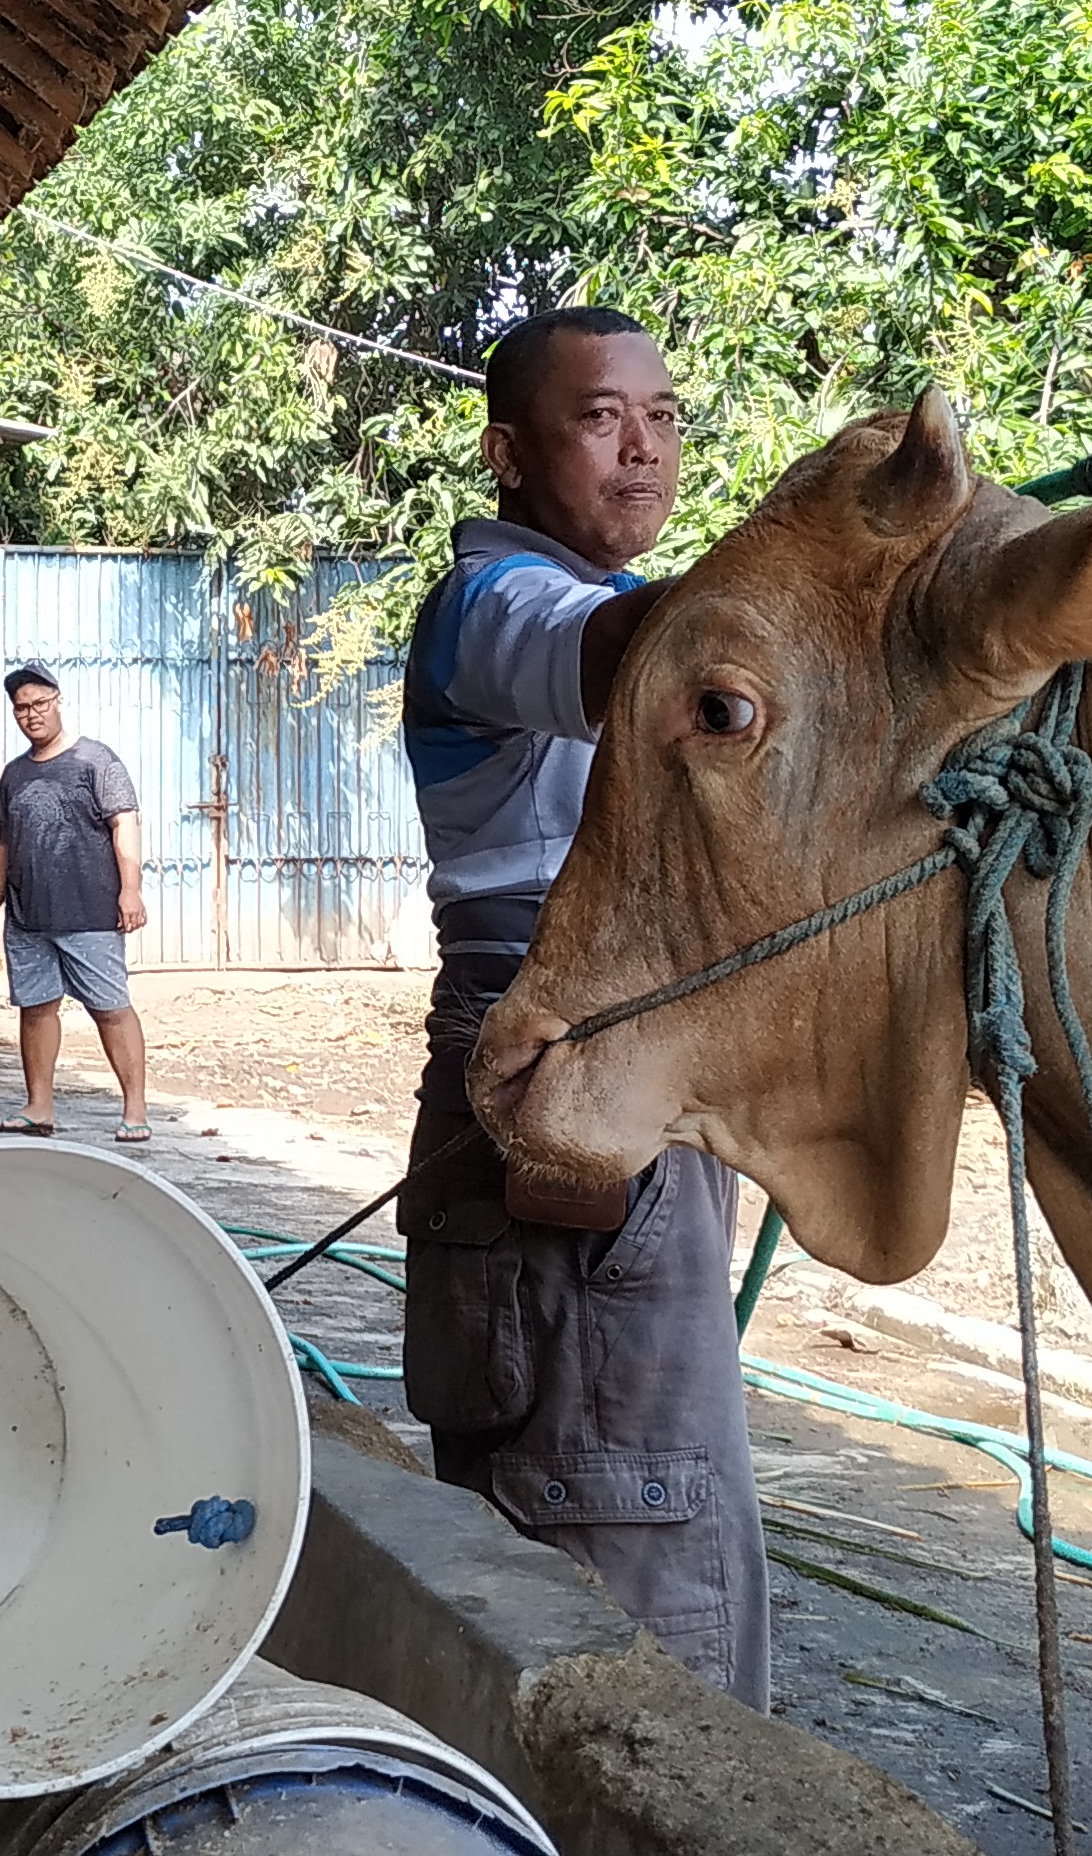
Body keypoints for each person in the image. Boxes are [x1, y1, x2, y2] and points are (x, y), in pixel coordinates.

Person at [393, 304, 769, 1708]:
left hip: (616, 1064)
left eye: (665, 416)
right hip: (566, 1067)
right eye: (601, 417)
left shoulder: (609, 610)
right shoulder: (494, 607)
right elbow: (631, 654)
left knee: (633, 1487)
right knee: (623, 1528)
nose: (644, 447)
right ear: (507, 449)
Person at [0, 663, 154, 1142]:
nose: (31, 715)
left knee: (110, 1008)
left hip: (90, 913)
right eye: (21, 708)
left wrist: (129, 889)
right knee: (35, 1009)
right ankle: (39, 1107)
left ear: (58, 701)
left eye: (39, 704)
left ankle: (135, 1109)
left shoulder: (97, 761)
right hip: (28, 917)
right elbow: (5, 843)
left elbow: (125, 825)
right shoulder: (14, 774)